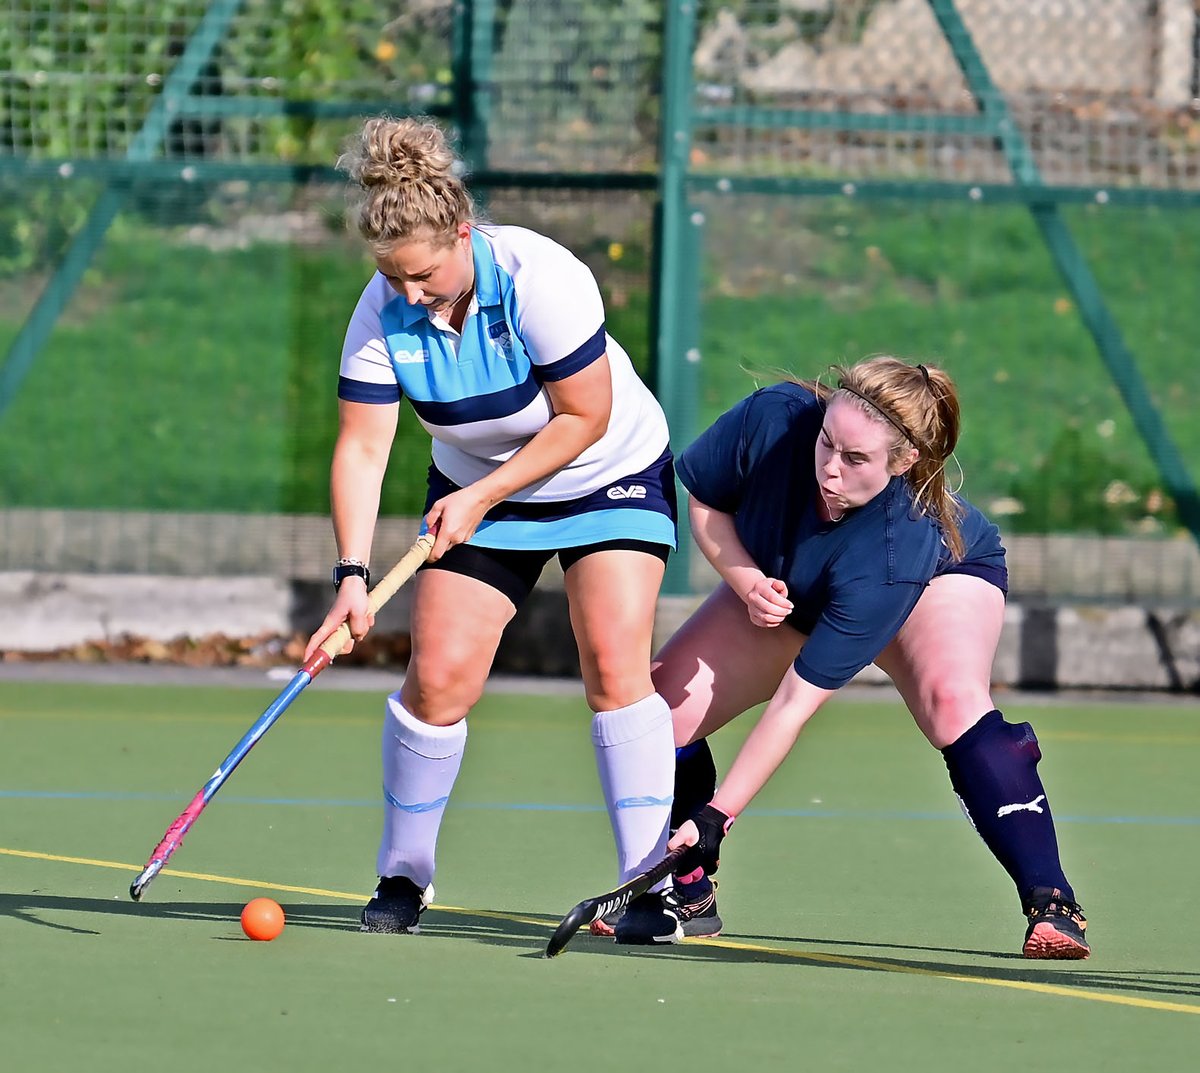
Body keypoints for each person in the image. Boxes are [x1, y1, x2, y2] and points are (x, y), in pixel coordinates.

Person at [304, 115, 681, 944]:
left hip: (602, 471)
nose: (409, 295)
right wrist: (352, 577)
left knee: (616, 662)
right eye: (393, 278)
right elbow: (363, 448)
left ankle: (647, 885)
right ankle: (404, 873)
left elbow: (585, 416)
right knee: (437, 676)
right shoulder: (381, 312)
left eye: (425, 276)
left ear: (463, 235)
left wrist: (485, 496)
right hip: (477, 487)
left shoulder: (540, 276)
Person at [639, 357, 1088, 959]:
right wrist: (746, 580)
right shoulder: (774, 418)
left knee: (952, 703)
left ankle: (1050, 900)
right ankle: (688, 887)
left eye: (855, 461)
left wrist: (721, 815)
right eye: (827, 443)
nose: (829, 469)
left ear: (902, 463)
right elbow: (708, 502)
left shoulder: (897, 547)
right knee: (652, 719)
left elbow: (796, 703)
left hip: (935, 579)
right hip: (790, 582)